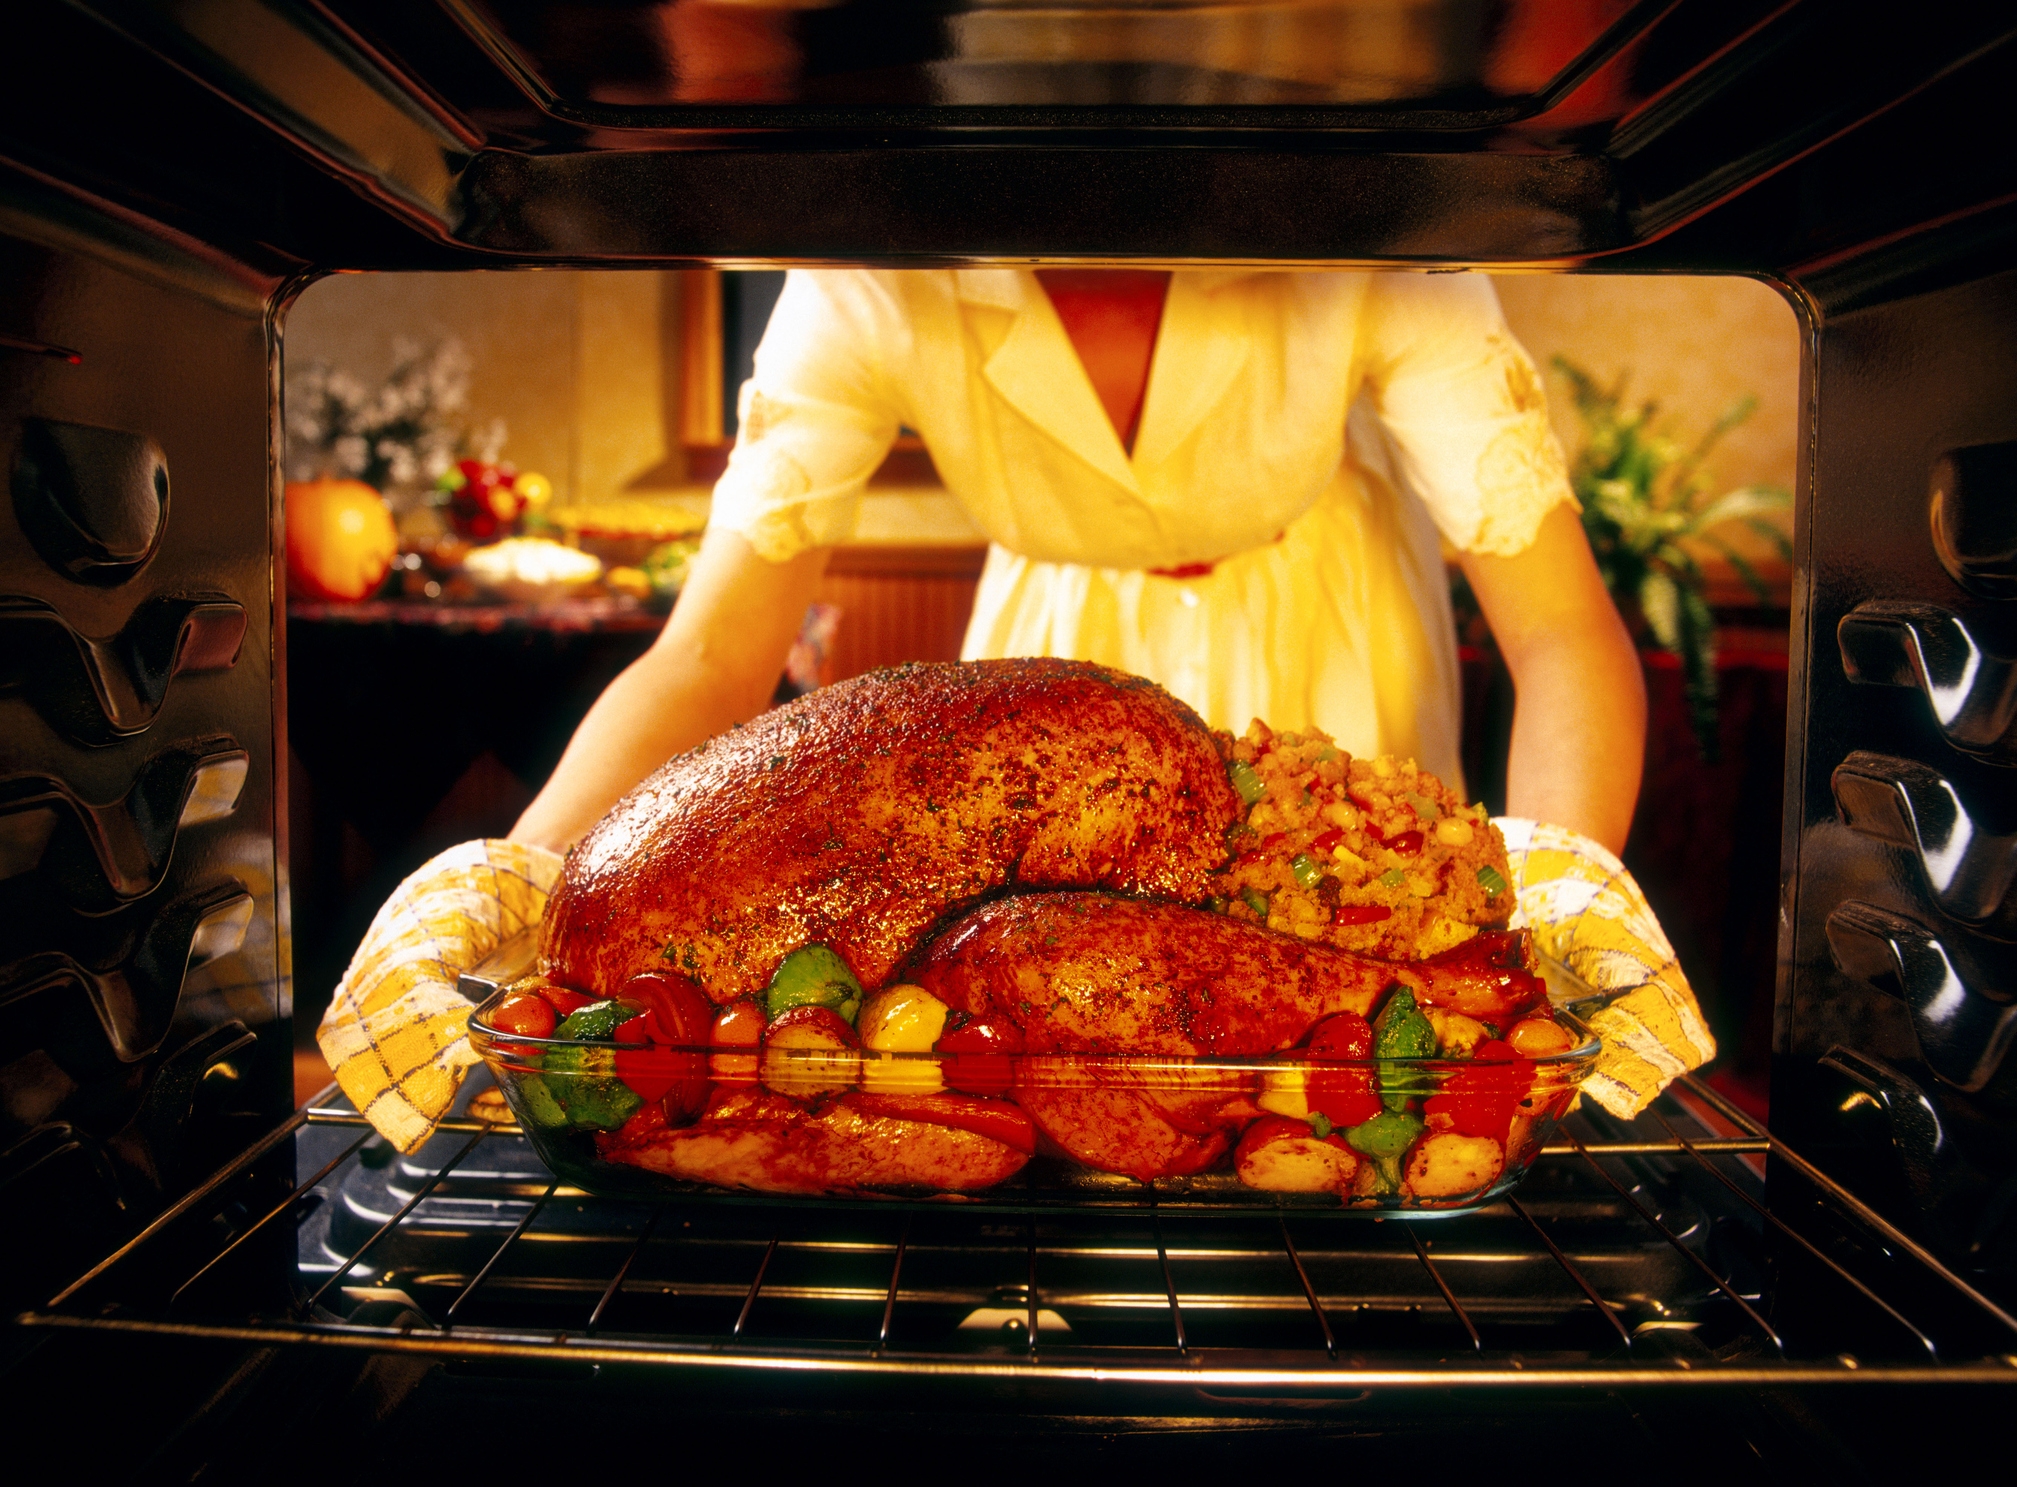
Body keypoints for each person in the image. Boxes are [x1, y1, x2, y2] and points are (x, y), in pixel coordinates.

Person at [510, 268, 1645, 854]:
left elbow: (1558, 630)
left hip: (1324, 611)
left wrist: (1565, 894)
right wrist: (521, 870)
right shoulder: (867, 277)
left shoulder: (1374, 212)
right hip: (1054, 634)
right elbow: (710, 650)